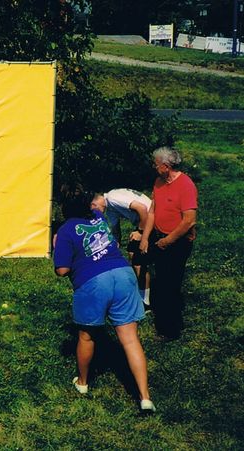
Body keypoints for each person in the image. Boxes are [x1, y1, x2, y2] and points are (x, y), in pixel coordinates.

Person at [54, 183, 155, 413]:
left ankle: (82, 383)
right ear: (88, 203)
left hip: (94, 283)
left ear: (64, 207)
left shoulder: (66, 230)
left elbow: (62, 270)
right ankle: (145, 397)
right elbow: (100, 203)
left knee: (87, 336)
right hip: (123, 274)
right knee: (130, 339)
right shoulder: (99, 216)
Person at [140, 147, 197, 340]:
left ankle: (170, 330)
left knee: (169, 284)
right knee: (163, 279)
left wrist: (167, 241)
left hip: (177, 242)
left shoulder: (186, 185)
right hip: (160, 238)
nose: (154, 167)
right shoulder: (159, 182)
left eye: (156, 164)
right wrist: (146, 237)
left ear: (165, 166)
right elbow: (152, 212)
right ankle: (170, 320)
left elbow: (189, 220)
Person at [91, 189, 152, 305]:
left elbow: (142, 209)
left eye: (94, 211)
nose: (96, 215)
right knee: (133, 255)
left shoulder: (113, 198)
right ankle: (142, 295)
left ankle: (145, 302)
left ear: (94, 204)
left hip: (150, 220)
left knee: (139, 262)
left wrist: (140, 232)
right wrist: (115, 244)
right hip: (145, 221)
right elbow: (115, 230)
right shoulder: (110, 209)